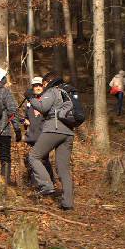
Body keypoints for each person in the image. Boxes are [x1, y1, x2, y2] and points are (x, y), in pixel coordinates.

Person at [28, 71, 75, 210]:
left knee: (33, 156)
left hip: (54, 129)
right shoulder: (66, 93)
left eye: (43, 84)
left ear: (47, 82)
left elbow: (43, 107)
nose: (43, 86)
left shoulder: (52, 91)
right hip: (68, 132)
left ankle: (46, 185)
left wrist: (31, 98)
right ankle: (68, 203)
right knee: (63, 170)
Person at [23, 76, 54, 187]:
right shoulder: (29, 102)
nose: (37, 87)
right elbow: (27, 117)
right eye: (35, 86)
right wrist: (25, 122)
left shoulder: (47, 98)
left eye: (39, 85)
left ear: (43, 86)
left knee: (43, 159)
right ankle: (38, 184)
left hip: (44, 135)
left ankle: (48, 183)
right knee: (35, 160)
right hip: (33, 135)